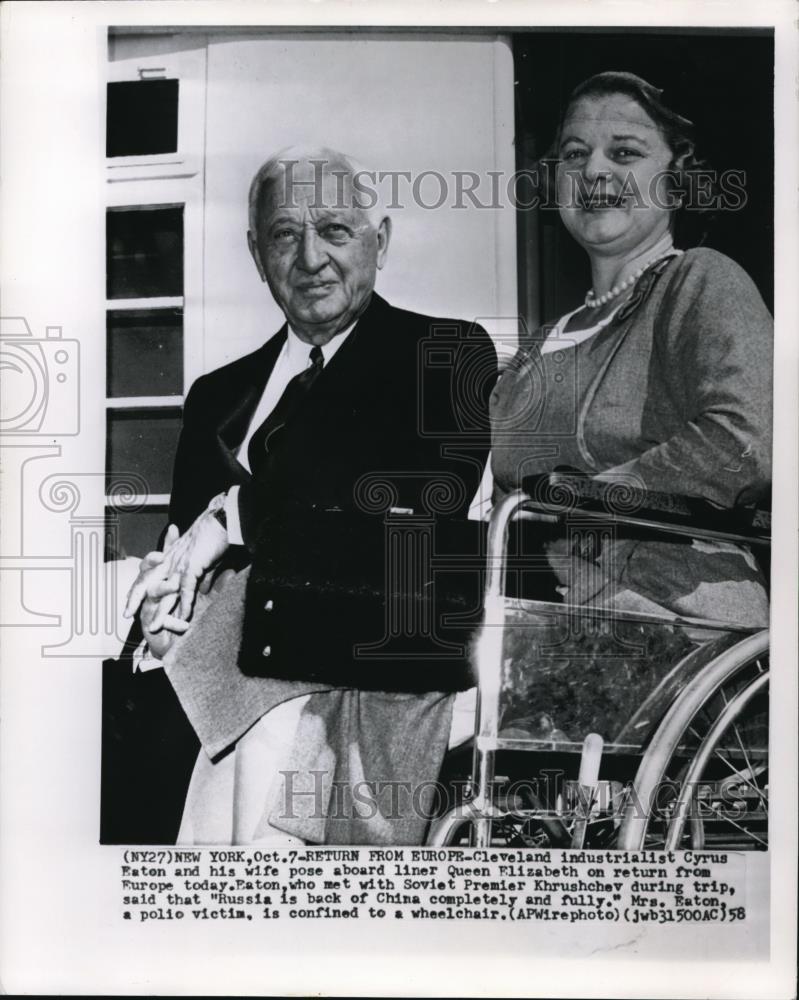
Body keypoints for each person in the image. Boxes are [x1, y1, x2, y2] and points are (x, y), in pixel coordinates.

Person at [122, 147, 497, 845]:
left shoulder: (444, 355)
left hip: (343, 682)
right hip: (201, 698)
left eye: (334, 230)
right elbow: (183, 549)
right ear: (256, 253)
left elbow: (417, 502)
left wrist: (235, 515)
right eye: (284, 234)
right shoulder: (215, 396)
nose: (310, 257)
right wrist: (163, 614)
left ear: (379, 241)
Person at [490, 71, 771, 624]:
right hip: (544, 615)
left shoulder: (701, 281)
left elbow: (749, 436)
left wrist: (597, 500)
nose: (594, 170)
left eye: (624, 152)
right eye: (574, 154)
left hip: (674, 617)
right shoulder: (538, 344)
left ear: (678, 175)